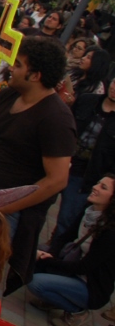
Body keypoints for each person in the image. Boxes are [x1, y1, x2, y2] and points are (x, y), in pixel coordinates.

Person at [0, 36, 77, 294]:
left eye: (18, 64)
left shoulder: (56, 119)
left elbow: (57, 179)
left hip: (7, 215)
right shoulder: (7, 96)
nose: (11, 68)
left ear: (35, 75)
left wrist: (3, 207)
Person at [29, 174, 115, 326]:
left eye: (103, 187)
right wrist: (51, 254)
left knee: (35, 283)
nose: (95, 187)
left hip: (90, 286)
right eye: (97, 183)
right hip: (73, 266)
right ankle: (57, 297)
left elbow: (84, 267)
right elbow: (65, 236)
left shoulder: (110, 233)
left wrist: (49, 260)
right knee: (31, 264)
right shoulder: (89, 210)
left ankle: (77, 311)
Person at [52, 79, 115, 244]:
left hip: (84, 177)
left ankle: (52, 254)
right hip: (61, 162)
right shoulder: (88, 100)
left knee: (67, 219)